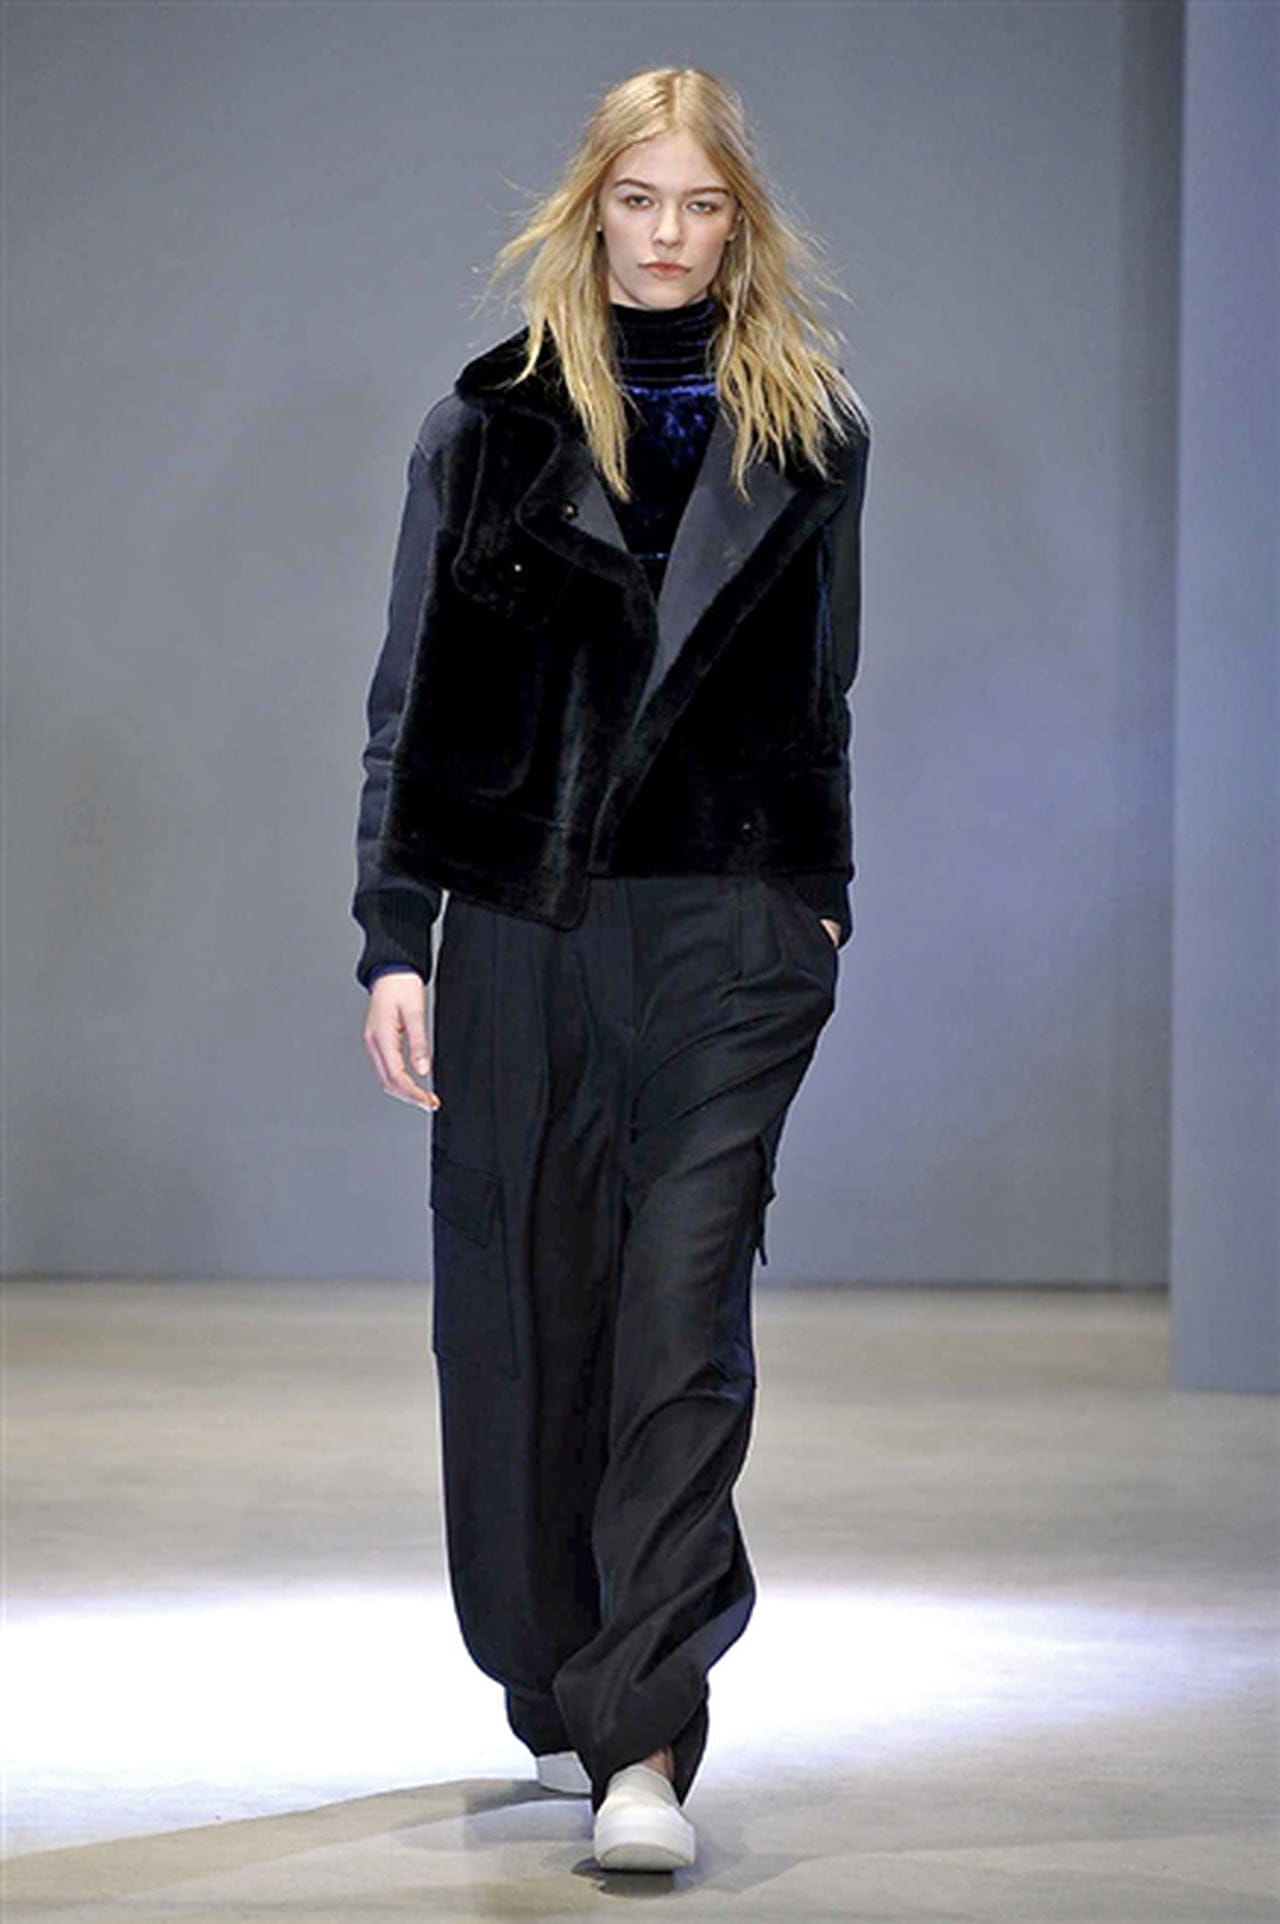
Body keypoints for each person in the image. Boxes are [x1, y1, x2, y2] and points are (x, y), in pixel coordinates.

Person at [352, 65, 870, 1876]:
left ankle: (645, 1734)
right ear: (591, 212)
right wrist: (393, 938)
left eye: (701, 205)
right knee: (528, 1326)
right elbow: (410, 697)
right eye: (639, 200)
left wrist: (818, 903)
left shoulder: (811, 432)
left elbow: (826, 692)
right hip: (522, 932)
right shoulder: (484, 427)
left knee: (681, 1324)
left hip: (728, 940)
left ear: (739, 224)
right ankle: (559, 1674)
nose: (669, 235)